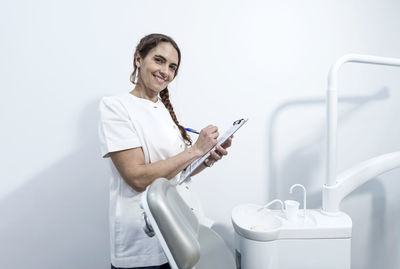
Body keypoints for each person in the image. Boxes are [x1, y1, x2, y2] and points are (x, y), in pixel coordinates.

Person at [98, 33, 233, 269]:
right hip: (143, 239)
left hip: (180, 230)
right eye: (159, 60)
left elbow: (177, 173)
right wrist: (196, 150)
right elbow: (137, 178)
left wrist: (208, 157)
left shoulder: (167, 109)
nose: (165, 71)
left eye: (172, 67)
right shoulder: (116, 107)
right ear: (139, 59)